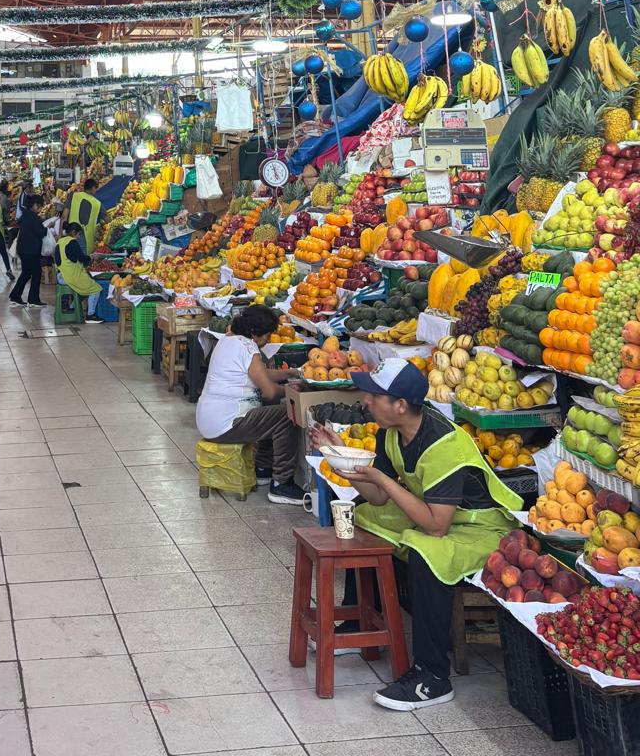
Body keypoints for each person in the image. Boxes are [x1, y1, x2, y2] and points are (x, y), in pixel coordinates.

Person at [321, 357, 522, 711]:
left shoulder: (444, 445)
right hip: (439, 514)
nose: (366, 401)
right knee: (364, 517)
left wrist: (382, 479)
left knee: (426, 552)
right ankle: (359, 621)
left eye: (375, 396)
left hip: (482, 527)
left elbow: (436, 526)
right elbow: (378, 497)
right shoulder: (390, 433)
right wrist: (342, 458)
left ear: (400, 405)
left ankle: (432, 676)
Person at [195, 304, 306, 505]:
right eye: (267, 335)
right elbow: (269, 391)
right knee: (286, 413)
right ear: (254, 332)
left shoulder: (227, 340)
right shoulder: (248, 347)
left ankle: (263, 469)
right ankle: (282, 483)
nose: (268, 340)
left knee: (267, 411)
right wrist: (293, 390)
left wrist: (290, 373)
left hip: (208, 420)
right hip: (228, 424)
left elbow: (259, 373)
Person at [54, 228, 105, 321]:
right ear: (73, 232)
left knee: (83, 289)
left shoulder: (60, 242)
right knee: (96, 289)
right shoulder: (72, 242)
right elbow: (81, 258)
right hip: (71, 276)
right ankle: (90, 315)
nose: (79, 237)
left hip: (60, 276)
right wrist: (92, 257)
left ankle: (72, 307)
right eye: (78, 234)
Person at [8, 193, 46, 307]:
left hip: (24, 249)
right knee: (36, 273)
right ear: (35, 205)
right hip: (31, 250)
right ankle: (33, 300)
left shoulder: (25, 215)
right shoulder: (34, 218)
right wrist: (47, 229)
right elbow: (40, 233)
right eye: (39, 206)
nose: (40, 209)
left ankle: (15, 296)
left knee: (26, 273)